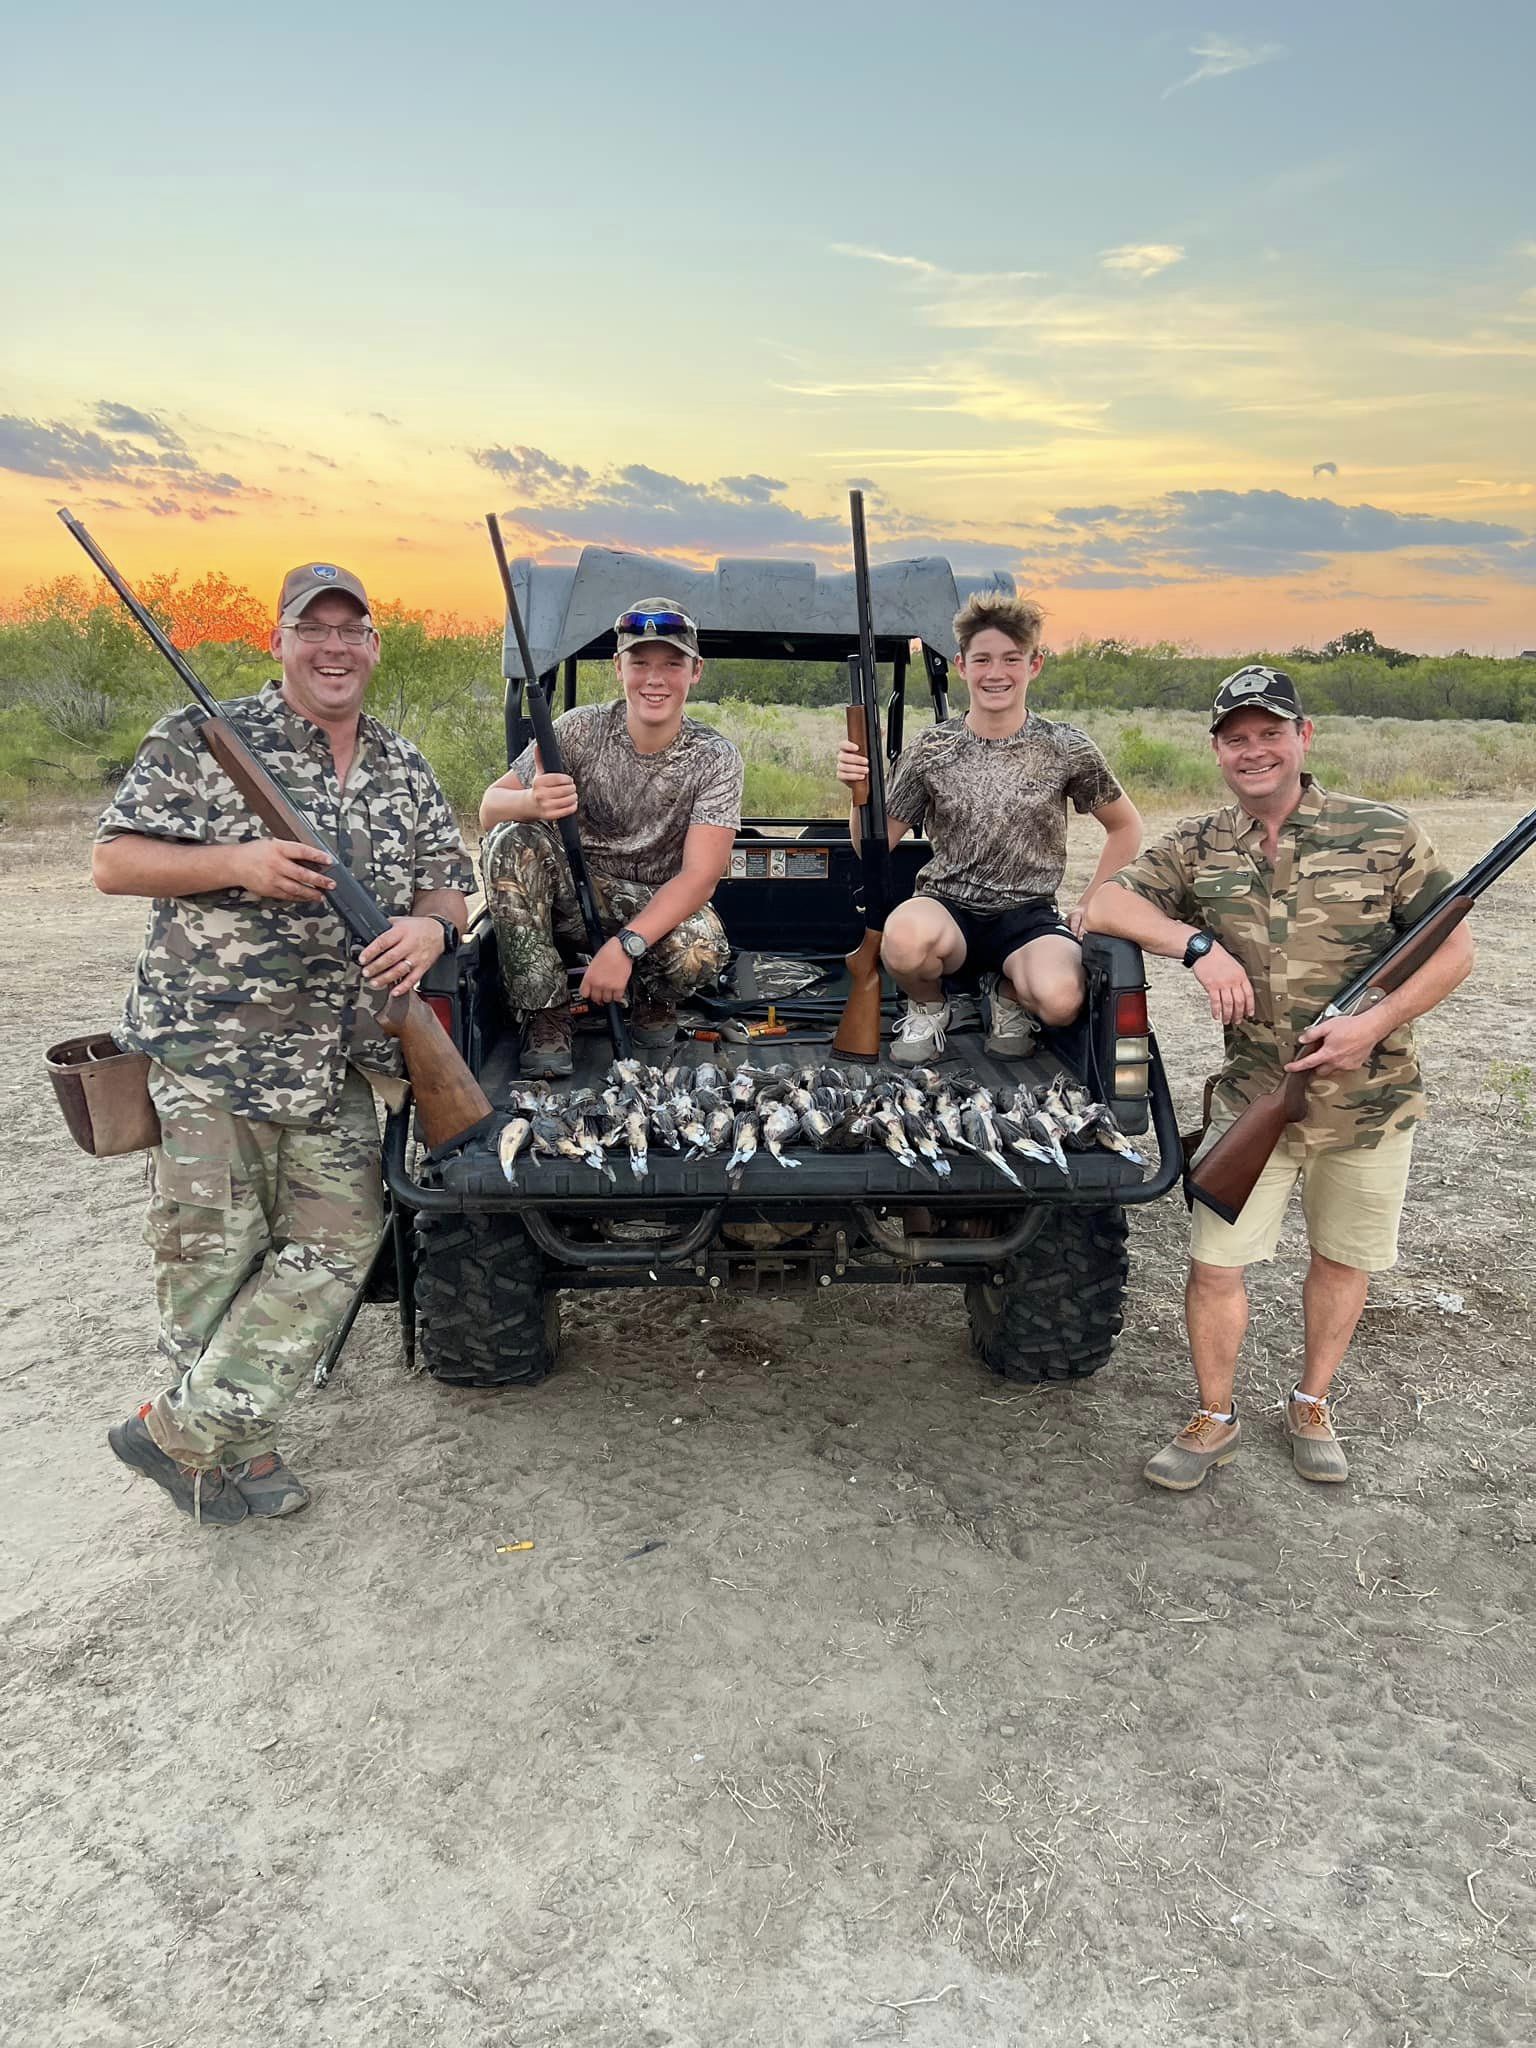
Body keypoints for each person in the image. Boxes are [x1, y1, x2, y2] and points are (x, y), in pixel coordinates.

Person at [96, 562, 474, 1527]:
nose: (336, 647)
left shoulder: (401, 761)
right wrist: (241, 865)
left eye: (355, 630)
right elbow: (114, 860)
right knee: (211, 1258)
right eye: (317, 629)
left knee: (342, 1240)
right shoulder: (203, 738)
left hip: (337, 1059)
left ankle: (178, 1434)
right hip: (213, 1049)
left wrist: (430, 932)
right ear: (280, 641)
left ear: (375, 647)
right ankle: (234, 1452)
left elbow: (445, 886)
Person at [1088, 665, 1474, 1491]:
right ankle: (1213, 1416)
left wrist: (1370, 1024)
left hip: (1370, 1106)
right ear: (1219, 752)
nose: (1254, 750)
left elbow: (1455, 951)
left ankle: (1311, 1401)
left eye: (1270, 733)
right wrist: (1197, 946)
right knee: (1216, 1266)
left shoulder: (1385, 832)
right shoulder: (1200, 845)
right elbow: (1105, 907)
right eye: (1237, 738)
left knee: (1341, 1261)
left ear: (1304, 738)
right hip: (1253, 1097)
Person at [834, 590, 1142, 1064]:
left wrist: (1093, 901)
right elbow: (871, 846)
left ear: (1034, 664)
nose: (995, 673)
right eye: (982, 660)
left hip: (1028, 916)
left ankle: (1007, 994)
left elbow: (1126, 828)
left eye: (1010, 659)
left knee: (1061, 1001)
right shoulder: (931, 748)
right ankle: (930, 1006)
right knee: (903, 939)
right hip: (947, 907)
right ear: (961, 665)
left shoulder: (1066, 746)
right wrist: (862, 793)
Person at [479, 600, 743, 1077]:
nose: (654, 679)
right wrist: (531, 804)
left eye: (672, 664)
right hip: (569, 897)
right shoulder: (578, 729)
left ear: (696, 671)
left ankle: (652, 999)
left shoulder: (716, 758)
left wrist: (624, 949)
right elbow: (488, 808)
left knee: (698, 947)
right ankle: (545, 1013)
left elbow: (700, 878)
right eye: (640, 662)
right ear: (619, 667)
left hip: (651, 910)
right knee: (510, 840)